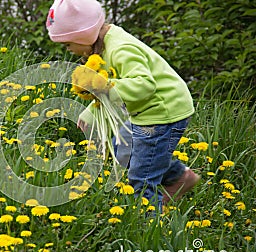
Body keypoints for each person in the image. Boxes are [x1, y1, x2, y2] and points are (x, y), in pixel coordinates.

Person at [46, 0, 200, 210]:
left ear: (83, 34)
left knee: (141, 177)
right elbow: (110, 87)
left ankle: (149, 227)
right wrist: (91, 112)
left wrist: (105, 86)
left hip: (163, 112)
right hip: (142, 111)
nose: (69, 50)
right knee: (124, 152)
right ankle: (180, 176)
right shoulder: (101, 47)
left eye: (68, 44)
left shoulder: (120, 49)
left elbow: (144, 85)